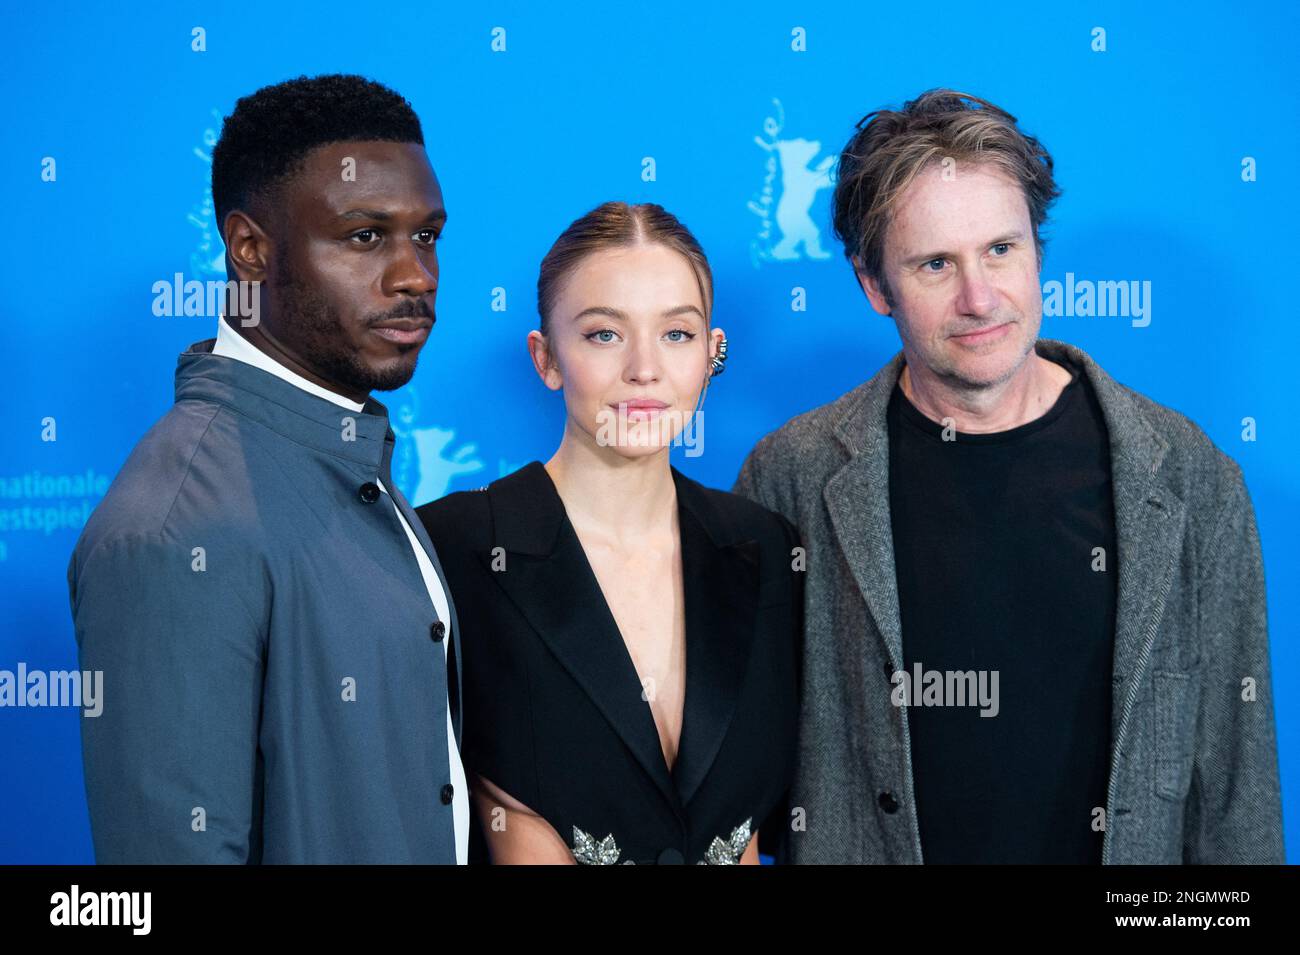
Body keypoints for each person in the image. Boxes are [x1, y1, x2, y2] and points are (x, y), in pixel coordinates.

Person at [733, 89, 1284, 864]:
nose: (979, 297)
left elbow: (1236, 797)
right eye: (934, 264)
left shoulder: (1192, 478)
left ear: (1037, 250)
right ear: (874, 285)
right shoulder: (790, 475)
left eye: (1001, 249)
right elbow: (732, 775)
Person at [67, 74, 467, 863]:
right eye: (364, 237)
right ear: (251, 249)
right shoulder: (177, 524)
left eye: (427, 236)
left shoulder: (347, 454)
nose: (415, 275)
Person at [417, 202, 802, 864]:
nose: (644, 369)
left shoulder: (766, 547)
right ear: (546, 358)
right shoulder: (451, 550)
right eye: (604, 334)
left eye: (677, 334)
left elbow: (752, 828)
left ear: (713, 354)